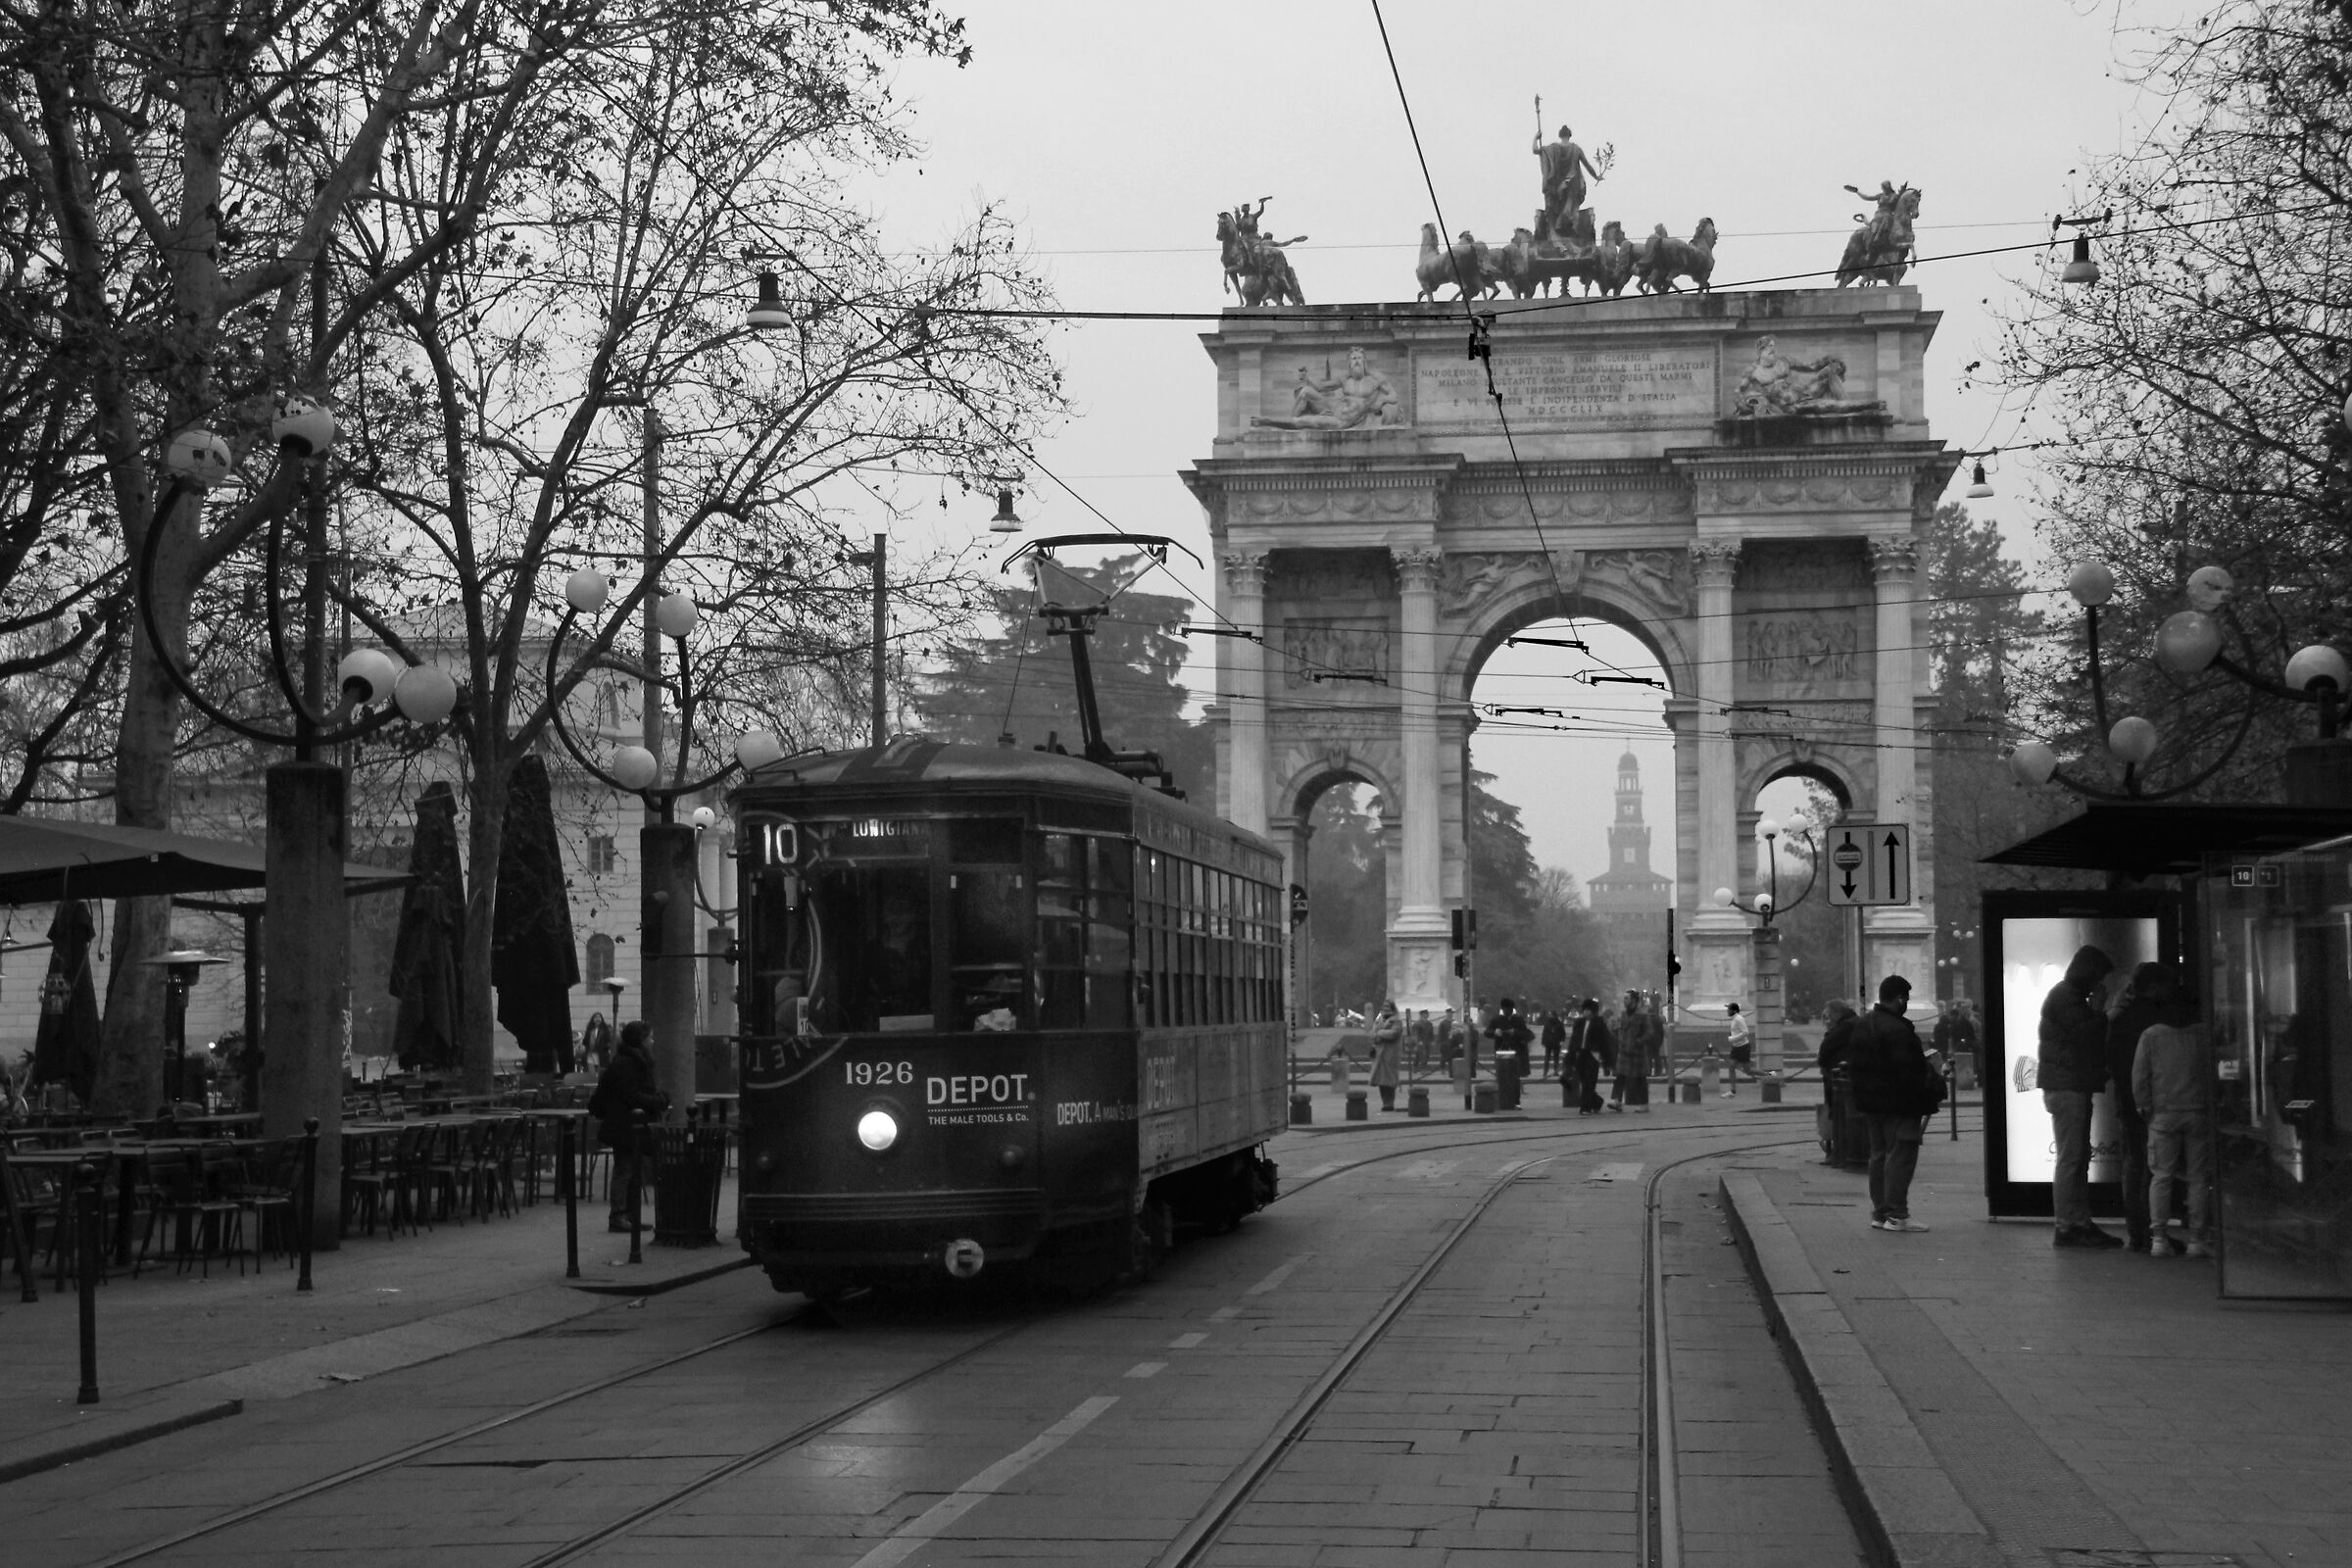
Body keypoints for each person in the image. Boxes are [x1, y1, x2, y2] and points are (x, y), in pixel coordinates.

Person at [2038, 944, 2121, 1249]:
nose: (2101, 983)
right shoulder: (2066, 997)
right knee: (2072, 1158)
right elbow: (2084, 1036)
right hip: (2067, 1087)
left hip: (2069, 1085)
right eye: (2099, 976)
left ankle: (2078, 1220)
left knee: (2076, 1156)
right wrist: (2101, 1010)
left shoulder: (2067, 995)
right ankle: (2068, 1224)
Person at [2130, 966, 2214, 1258]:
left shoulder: (2152, 1035)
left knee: (2161, 1176)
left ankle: (2159, 1238)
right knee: (2198, 1177)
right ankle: (2197, 1239)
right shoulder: (2202, 1033)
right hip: (2197, 1111)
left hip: (2163, 1113)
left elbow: (2140, 1075)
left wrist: (2144, 1105)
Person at [1848, 975, 1942, 1231]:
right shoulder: (1898, 1030)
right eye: (1906, 998)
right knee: (1901, 1155)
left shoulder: (1864, 1024)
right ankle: (1897, 1215)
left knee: (1878, 1156)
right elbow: (1909, 1072)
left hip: (1871, 1103)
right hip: (1899, 1104)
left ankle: (1880, 1213)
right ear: (1899, 998)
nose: (1907, 1003)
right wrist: (1932, 1080)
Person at [2104, 962, 2170, 1253]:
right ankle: (2153, 1230)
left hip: (2126, 1096)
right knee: (2153, 1166)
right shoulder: (2156, 1018)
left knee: (2134, 1162)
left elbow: (2112, 1058)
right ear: (2154, 987)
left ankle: (2137, 1232)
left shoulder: (2122, 1015)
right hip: (2153, 1099)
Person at [588, 1020, 669, 1233]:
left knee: (633, 1170)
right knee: (625, 1170)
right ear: (640, 1040)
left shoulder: (631, 1060)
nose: (652, 1041)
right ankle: (618, 1215)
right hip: (624, 1125)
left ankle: (631, 1215)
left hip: (629, 1124)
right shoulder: (627, 1063)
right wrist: (658, 1101)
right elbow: (632, 1095)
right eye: (650, 1037)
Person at [1532, 123, 1604, 233]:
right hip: (1572, 184)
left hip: (1556, 185)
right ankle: (1565, 224)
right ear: (1569, 135)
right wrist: (1596, 176)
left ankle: (1560, 225)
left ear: (1560, 135)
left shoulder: (1552, 148)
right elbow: (1587, 165)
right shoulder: (1576, 149)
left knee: (1562, 206)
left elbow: (1535, 150)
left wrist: (1536, 138)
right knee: (1570, 207)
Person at [1488, 998, 1533, 1109]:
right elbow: (1487, 1032)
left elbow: (1527, 1034)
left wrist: (1515, 1032)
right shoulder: (1496, 1019)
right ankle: (1502, 1100)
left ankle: (1515, 1101)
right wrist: (1495, 1032)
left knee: (1515, 1078)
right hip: (1501, 1051)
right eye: (1506, 1010)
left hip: (1515, 1052)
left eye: (1510, 1010)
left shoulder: (1518, 1020)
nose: (1508, 1012)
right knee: (1501, 1077)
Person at [1569, 1000, 1607, 1113]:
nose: (1585, 1012)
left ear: (1592, 1011)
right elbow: (1574, 1039)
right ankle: (1597, 1102)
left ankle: (1585, 1107)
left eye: (1587, 1010)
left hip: (1593, 1054)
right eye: (1584, 1009)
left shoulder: (1599, 1023)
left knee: (1590, 1081)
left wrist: (1604, 1057)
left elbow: (1604, 1041)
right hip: (1581, 1054)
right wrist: (1572, 1053)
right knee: (1584, 1080)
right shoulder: (1579, 1023)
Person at [1369, 1001, 1404, 1112]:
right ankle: (1385, 1102)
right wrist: (1377, 1035)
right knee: (1381, 1080)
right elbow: (1373, 1033)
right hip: (1379, 1054)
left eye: (1388, 1007)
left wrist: (1380, 1033)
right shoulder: (1379, 1020)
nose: (1385, 1009)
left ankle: (1390, 1103)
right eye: (1384, 1007)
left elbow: (1393, 1034)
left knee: (1390, 1080)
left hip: (1391, 1054)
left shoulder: (1397, 1021)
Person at [1723, 1003, 1753, 1098]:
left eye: (1729, 1009)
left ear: (1734, 1010)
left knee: (1748, 1071)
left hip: (1743, 1047)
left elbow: (1746, 1032)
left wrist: (1732, 1039)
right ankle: (1732, 1091)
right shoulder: (1734, 1019)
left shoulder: (1739, 1019)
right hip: (1736, 1047)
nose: (1727, 1011)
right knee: (1731, 1067)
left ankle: (1768, 1075)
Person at [1540, 1007, 1567, 1078]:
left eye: (1552, 1015)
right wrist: (1543, 1042)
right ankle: (1546, 1072)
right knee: (1548, 1058)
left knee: (1555, 1058)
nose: (1551, 1017)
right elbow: (1544, 1033)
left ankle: (1554, 1071)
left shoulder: (1558, 1023)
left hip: (1555, 1043)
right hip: (1550, 1043)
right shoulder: (1549, 1023)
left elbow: (1563, 1033)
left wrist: (1562, 1040)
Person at [1407, 1009, 1435, 1077]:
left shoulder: (1429, 1023)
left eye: (1427, 1014)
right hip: (1420, 1042)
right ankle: (1423, 1069)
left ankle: (1415, 1066)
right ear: (1421, 1015)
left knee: (1424, 1055)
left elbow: (1431, 1033)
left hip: (1427, 1041)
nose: (1426, 1015)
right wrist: (1418, 1041)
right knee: (1423, 1055)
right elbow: (1415, 1033)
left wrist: (1432, 1040)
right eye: (1425, 1014)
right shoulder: (1417, 1024)